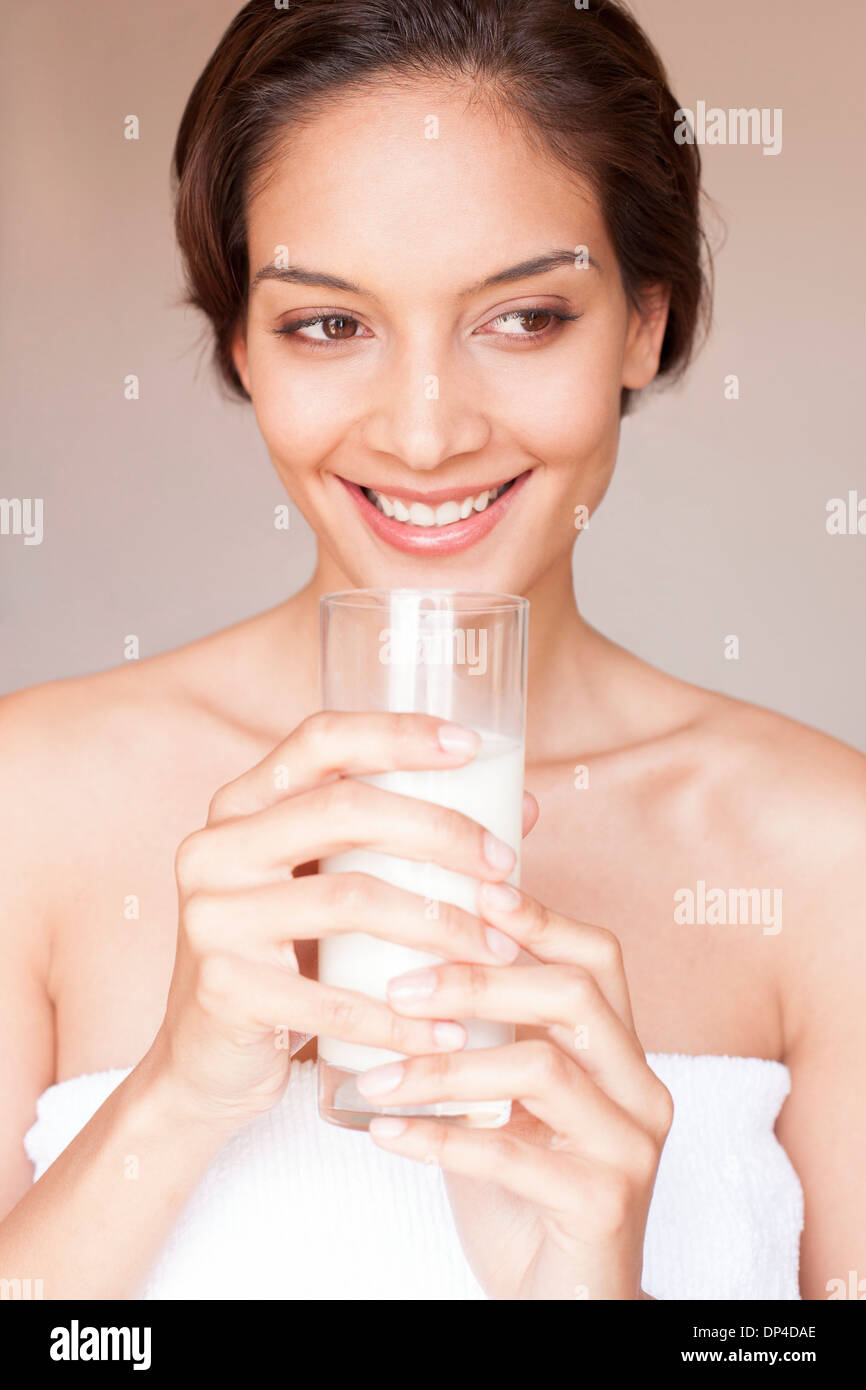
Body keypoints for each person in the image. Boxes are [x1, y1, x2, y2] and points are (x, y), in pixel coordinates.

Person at [1, 0, 863, 1300]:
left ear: (644, 319)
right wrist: (172, 1094)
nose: (420, 435)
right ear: (240, 339)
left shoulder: (823, 851)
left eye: (521, 317)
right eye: (327, 324)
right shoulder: (30, 799)